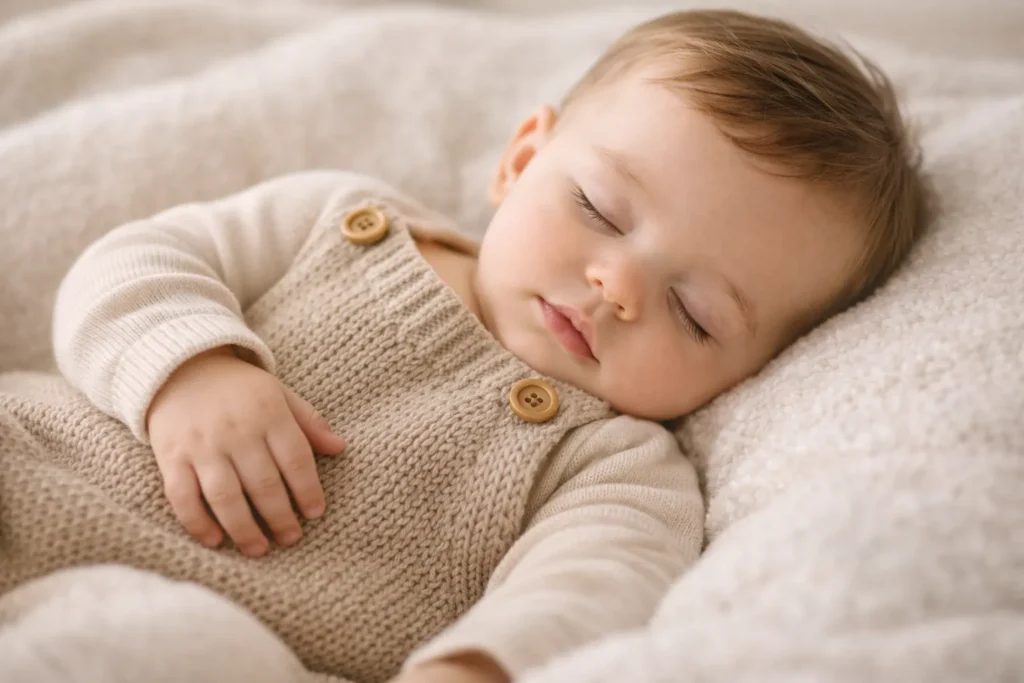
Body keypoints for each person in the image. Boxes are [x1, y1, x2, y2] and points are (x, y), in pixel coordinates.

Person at [0, 8, 928, 683]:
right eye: (599, 209)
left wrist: (475, 667)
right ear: (523, 159)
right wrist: (190, 367)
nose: (618, 286)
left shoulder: (617, 471)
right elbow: (135, 260)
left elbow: (583, 600)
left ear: (754, 372)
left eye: (697, 314)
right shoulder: (343, 219)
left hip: (200, 645)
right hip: (29, 466)